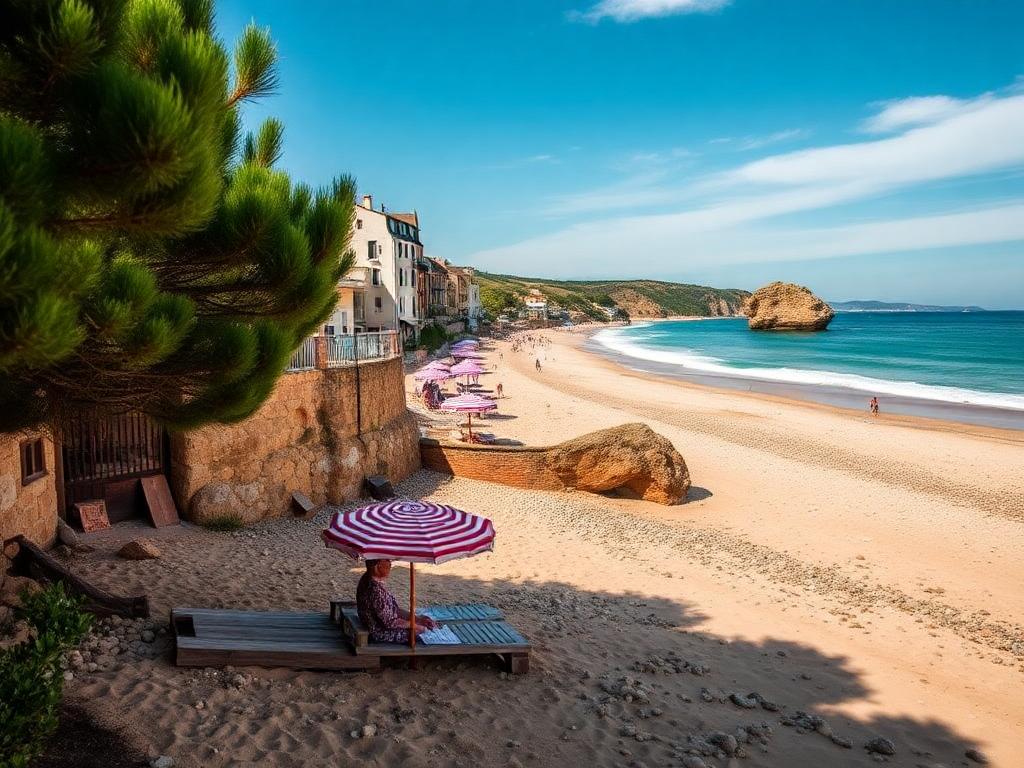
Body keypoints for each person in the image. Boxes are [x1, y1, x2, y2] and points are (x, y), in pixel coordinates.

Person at [356, 559, 438, 644]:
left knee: (422, 625)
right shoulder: (375, 590)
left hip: (379, 625)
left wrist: (417, 620)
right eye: (387, 562)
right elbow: (391, 623)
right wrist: (415, 626)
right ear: (378, 566)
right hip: (379, 632)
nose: (390, 564)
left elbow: (394, 610)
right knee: (421, 632)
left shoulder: (369, 578)